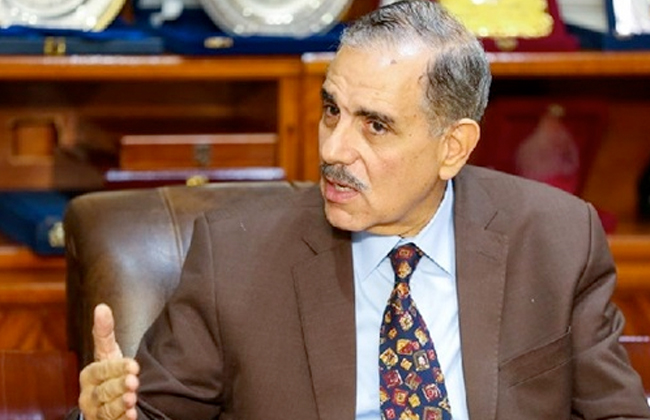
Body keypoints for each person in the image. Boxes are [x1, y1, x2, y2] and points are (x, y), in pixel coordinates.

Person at [75, 1, 650, 419]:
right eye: (332, 110)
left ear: (453, 147)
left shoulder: (557, 239)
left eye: (375, 126)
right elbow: (146, 412)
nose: (333, 149)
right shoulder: (237, 257)